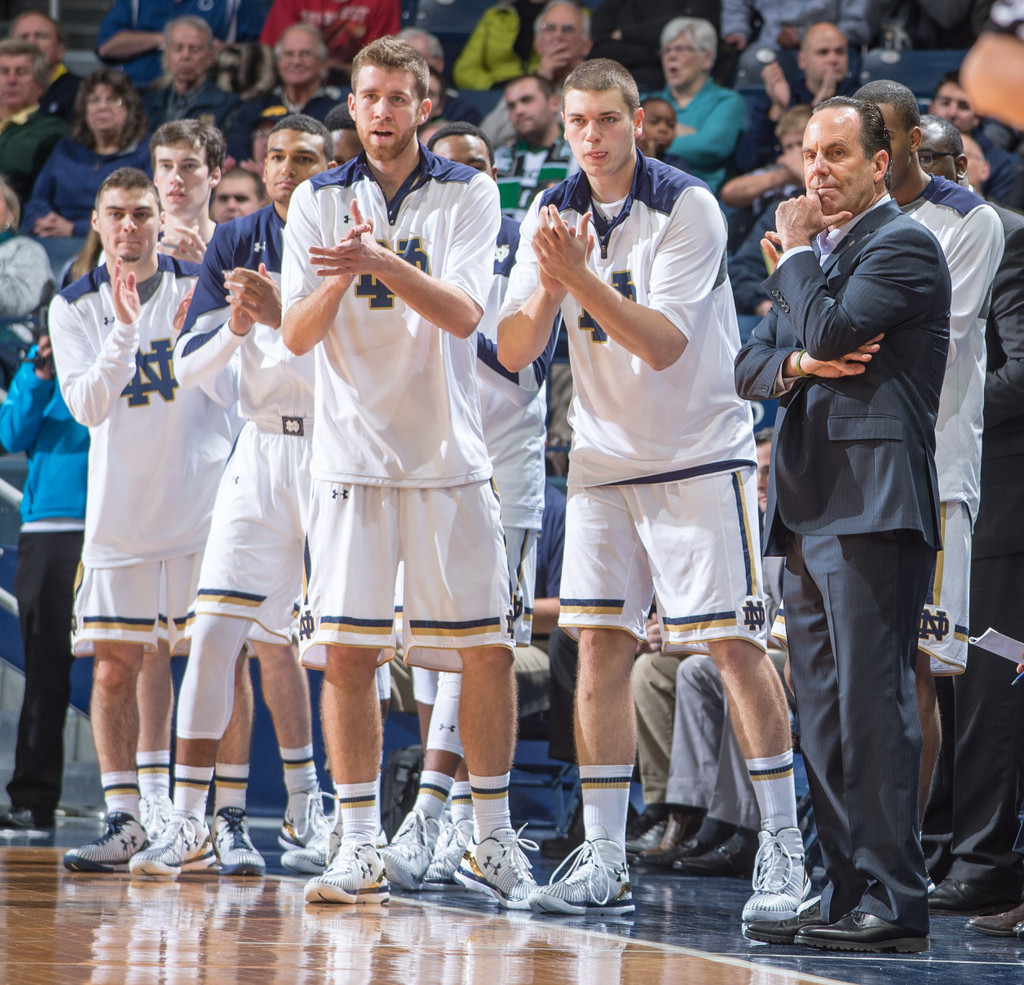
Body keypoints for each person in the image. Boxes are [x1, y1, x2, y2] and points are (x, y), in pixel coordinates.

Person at [498, 58, 804, 923]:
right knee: (599, 646)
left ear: (641, 121)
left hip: (701, 454)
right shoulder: (550, 212)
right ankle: (602, 851)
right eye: (577, 123)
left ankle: (782, 849)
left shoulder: (689, 206)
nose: (590, 137)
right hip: (601, 460)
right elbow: (518, 349)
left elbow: (662, 344)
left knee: (734, 648)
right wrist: (553, 279)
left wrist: (579, 278)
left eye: (607, 119)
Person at [280, 37, 529, 910]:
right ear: (351, 106)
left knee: (486, 651)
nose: (381, 111)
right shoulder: (315, 199)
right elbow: (297, 335)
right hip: (351, 459)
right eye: (369, 97)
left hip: (446, 456)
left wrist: (382, 261)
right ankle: (355, 841)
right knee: (345, 654)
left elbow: (466, 314)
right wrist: (346, 277)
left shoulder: (470, 189)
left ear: (424, 106)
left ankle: (490, 837)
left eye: (397, 97)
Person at [735, 96, 950, 952]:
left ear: (881, 159)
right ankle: (845, 887)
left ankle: (896, 901)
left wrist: (792, 271)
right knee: (821, 714)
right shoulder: (822, 259)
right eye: (807, 154)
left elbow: (825, 322)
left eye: (835, 155)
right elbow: (749, 364)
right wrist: (798, 359)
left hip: (873, 502)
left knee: (871, 706)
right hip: (810, 506)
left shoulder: (902, 245)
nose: (815, 170)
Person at [129, 114, 337, 879]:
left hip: (336, 449)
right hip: (259, 449)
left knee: (344, 647)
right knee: (214, 633)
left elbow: (367, 359)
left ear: (329, 163)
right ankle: (189, 821)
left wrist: (281, 323)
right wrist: (240, 327)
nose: (286, 168)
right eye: (275, 155)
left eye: (304, 157)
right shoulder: (236, 237)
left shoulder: (352, 227)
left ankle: (336, 815)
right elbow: (188, 363)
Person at [378, 120, 556, 893]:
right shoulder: (412, 238)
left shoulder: (522, 245)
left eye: (477, 166)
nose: (463, 180)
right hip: (417, 458)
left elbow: (525, 364)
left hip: (500, 468)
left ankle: (434, 813)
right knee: (423, 646)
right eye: (448, 167)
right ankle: (445, 821)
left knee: (477, 640)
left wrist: (434, 312)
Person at [50, 166, 236, 872]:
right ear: (96, 222)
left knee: (218, 662)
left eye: (141, 213)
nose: (128, 225)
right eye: (116, 213)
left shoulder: (199, 287)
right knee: (112, 670)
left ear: (162, 219)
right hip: (120, 519)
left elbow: (228, 382)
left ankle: (212, 818)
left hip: (202, 510)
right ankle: (126, 815)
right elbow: (89, 405)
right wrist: (124, 332)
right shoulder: (72, 306)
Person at [854, 80, 1004, 870]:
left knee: (915, 666)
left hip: (934, 468)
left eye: (884, 133)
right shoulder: (849, 209)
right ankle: (850, 851)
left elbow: (925, 344)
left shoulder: (970, 220)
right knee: (855, 671)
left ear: (913, 139)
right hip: (850, 469)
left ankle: (902, 855)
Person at [912, 113, 1024, 928]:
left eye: (933, 162)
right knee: (934, 676)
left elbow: (1017, 375)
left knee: (986, 681)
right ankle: (948, 842)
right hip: (918, 487)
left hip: (999, 499)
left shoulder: (1007, 237)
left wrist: (909, 402)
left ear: (965, 164)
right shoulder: (889, 239)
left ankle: (985, 858)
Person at [0, 175, 81, 835]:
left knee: (137, 664)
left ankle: (157, 802)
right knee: (46, 666)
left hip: (130, 516)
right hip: (52, 518)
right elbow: (10, 433)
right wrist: (39, 370)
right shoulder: (49, 348)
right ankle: (33, 795)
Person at [23, 70, 151, 240]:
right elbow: (38, 199)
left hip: (111, 242)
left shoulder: (145, 152)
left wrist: (75, 228)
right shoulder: (66, 147)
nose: (102, 107)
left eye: (113, 100)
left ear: (129, 108)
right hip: (52, 236)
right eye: (94, 100)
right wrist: (44, 221)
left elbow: (145, 213)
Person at [736, 22, 857, 174]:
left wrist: (823, 108)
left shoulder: (858, 99)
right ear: (802, 60)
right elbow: (747, 162)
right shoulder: (784, 94)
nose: (833, 59)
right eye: (823, 52)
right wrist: (779, 108)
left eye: (839, 52)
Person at [477, 2, 593, 148]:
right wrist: (541, 79)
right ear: (537, 43)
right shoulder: (525, 87)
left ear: (586, 45)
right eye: (549, 28)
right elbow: (486, 139)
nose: (558, 36)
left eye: (567, 30)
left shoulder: (600, 86)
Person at [652, 17, 747, 194]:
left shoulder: (727, 101)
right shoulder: (648, 101)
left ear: (707, 58)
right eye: (666, 50)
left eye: (680, 49)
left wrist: (650, 144)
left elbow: (708, 146)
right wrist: (678, 134)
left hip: (702, 200)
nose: (671, 56)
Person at [226, 23, 342, 166]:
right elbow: (236, 155)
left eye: (304, 54)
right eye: (288, 54)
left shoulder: (337, 111)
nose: (296, 61)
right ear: (278, 63)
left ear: (323, 63)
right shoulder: (253, 109)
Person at [95, 0, 263, 88]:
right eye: (178, 48)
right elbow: (106, 46)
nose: (184, 54)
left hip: (213, 95)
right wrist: (165, 39)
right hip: (140, 93)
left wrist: (222, 50)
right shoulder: (134, 1)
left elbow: (261, 52)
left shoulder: (232, 2)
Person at [928, 71, 1022, 207]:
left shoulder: (1002, 166)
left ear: (977, 116)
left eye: (963, 106)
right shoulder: (911, 153)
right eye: (945, 103)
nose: (952, 113)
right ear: (931, 108)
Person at [495, 74, 578, 221]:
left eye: (526, 100)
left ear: (554, 102)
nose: (518, 110)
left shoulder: (579, 154)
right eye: (511, 106)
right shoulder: (498, 159)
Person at [259, 0, 400, 85]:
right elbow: (271, 55)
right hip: (290, 87)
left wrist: (333, 67)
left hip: (354, 88)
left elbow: (380, 68)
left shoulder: (383, 2)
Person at [141, 17, 239, 133]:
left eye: (194, 49)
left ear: (210, 56)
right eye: (178, 48)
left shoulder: (229, 106)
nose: (185, 56)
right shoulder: (148, 104)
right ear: (167, 55)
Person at [0, 39, 68, 203]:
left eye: (21, 72)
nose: (11, 80)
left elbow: (19, 163)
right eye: (3, 71)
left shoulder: (53, 130)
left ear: (41, 85)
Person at [150, 119, 224, 265]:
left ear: (214, 176)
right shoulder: (134, 251)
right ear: (156, 177)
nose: (175, 178)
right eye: (166, 166)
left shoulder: (239, 249)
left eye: (189, 166)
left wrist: (205, 273)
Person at [721, 1, 872, 54]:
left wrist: (805, 35)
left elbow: (858, 26)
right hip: (768, 40)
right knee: (751, 64)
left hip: (827, 48)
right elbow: (736, 4)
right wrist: (736, 28)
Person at [9, 11, 80, 122]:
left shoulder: (81, 92)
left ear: (60, 50)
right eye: (23, 37)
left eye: (41, 36)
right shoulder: (4, 92)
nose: (31, 43)